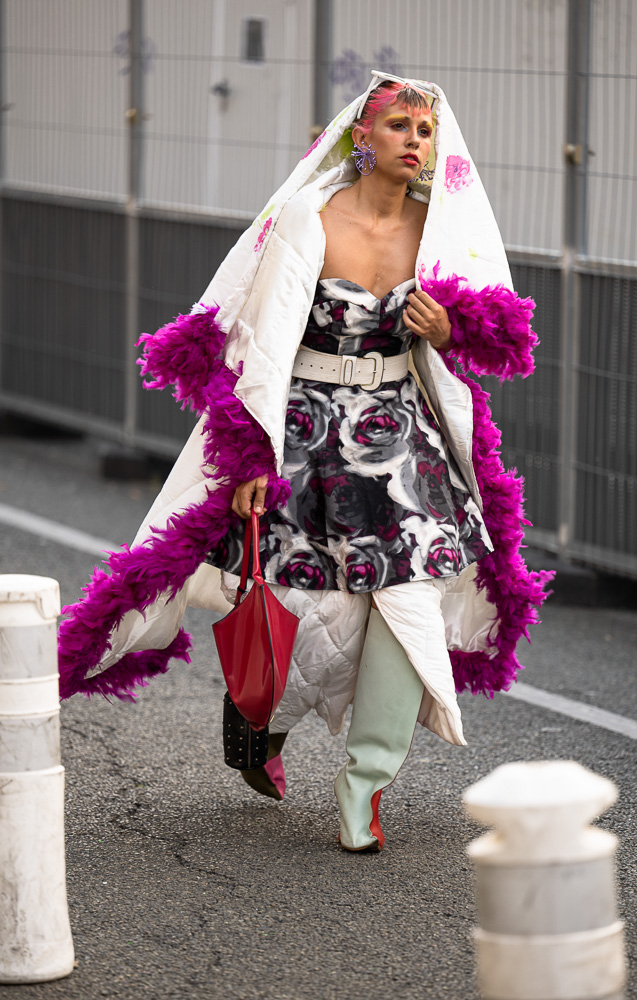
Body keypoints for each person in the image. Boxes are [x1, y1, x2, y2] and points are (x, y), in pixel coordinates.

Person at [58, 72, 553, 853]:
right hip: (302, 431)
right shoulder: (309, 214)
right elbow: (256, 341)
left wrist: (450, 331)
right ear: (363, 136)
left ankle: (365, 786)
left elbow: (503, 338)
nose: (415, 141)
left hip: (403, 438)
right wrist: (251, 454)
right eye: (399, 126)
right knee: (299, 602)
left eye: (425, 130)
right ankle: (258, 720)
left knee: (408, 597)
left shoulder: (442, 225)